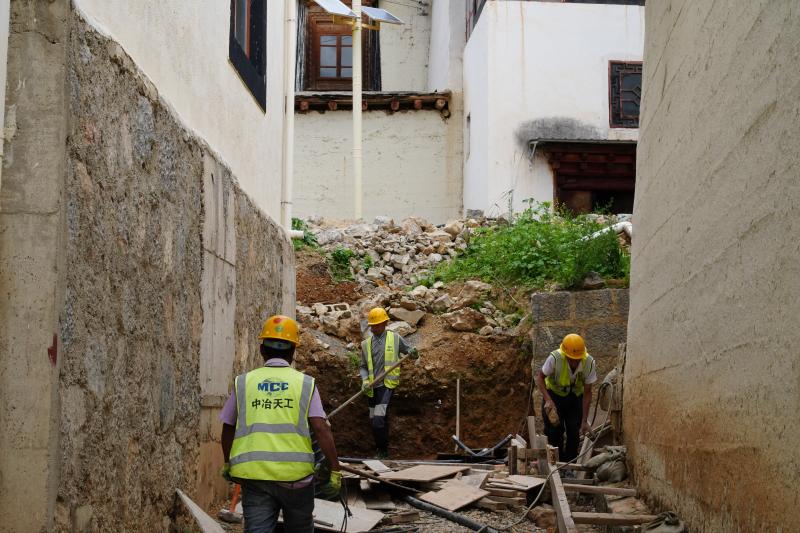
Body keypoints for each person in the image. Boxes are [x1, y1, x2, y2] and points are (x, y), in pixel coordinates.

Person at [219, 315, 341, 533]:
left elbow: (228, 426)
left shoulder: (244, 382)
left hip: (254, 477)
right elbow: (321, 428)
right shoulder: (305, 384)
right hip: (296, 479)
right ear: (293, 352)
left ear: (261, 350)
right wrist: (335, 469)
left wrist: (228, 462)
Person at [359, 307, 418, 458]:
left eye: (377, 325)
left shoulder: (395, 338)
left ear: (385, 323)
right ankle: (382, 450)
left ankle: (382, 451)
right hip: (372, 388)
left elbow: (410, 352)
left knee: (378, 420)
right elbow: (363, 366)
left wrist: (413, 353)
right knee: (376, 420)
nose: (374, 328)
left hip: (386, 385)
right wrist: (364, 380)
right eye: (372, 325)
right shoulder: (366, 344)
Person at [534, 333, 597, 464]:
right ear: (565, 355)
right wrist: (548, 400)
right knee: (554, 431)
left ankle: (570, 465)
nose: (574, 362)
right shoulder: (555, 358)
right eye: (571, 359)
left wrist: (584, 420)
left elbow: (587, 393)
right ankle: (555, 463)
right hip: (554, 396)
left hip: (575, 397)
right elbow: (540, 378)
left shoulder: (589, 362)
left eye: (577, 359)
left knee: (574, 431)